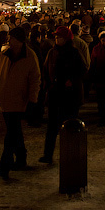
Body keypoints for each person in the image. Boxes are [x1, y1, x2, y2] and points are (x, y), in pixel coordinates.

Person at [0, 27, 41, 180]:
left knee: (11, 134)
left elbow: (35, 80)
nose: (9, 41)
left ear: (19, 40)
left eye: (11, 38)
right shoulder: (4, 54)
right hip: (4, 99)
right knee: (15, 130)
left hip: (20, 100)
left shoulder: (30, 56)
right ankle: (21, 158)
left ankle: (5, 165)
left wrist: (33, 100)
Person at [38, 26, 86, 164]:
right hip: (55, 93)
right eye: (56, 37)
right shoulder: (52, 52)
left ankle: (70, 154)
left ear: (66, 39)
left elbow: (82, 70)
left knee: (70, 125)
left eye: (59, 37)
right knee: (52, 126)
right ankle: (48, 154)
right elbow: (46, 69)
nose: (57, 39)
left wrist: (71, 80)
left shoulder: (74, 53)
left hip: (70, 95)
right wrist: (48, 84)